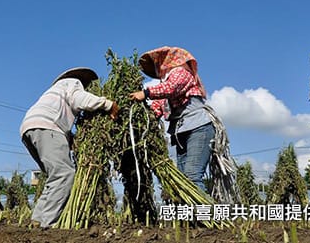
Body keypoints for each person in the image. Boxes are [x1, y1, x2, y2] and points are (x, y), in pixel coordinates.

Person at [20, 67, 119, 228]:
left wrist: (69, 138)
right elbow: (79, 99)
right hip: (47, 126)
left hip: (29, 128)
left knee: (54, 176)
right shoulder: (72, 83)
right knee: (64, 174)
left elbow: (59, 113)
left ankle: (37, 220)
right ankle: (47, 224)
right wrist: (107, 104)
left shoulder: (53, 91)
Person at [130, 46, 216, 192]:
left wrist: (146, 93)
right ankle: (192, 214)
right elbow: (158, 106)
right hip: (181, 132)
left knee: (192, 177)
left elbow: (171, 88)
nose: (158, 67)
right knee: (183, 181)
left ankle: (207, 214)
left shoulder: (182, 72)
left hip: (199, 127)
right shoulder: (164, 83)